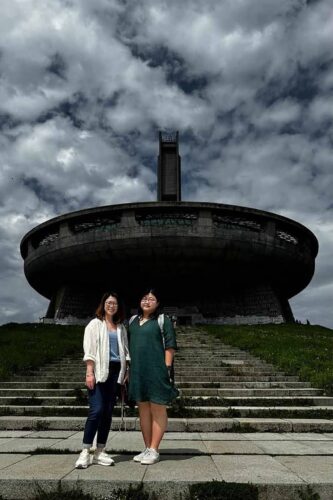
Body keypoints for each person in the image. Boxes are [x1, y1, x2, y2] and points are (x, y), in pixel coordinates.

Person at [75, 291, 130, 469]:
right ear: (103, 305)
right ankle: (85, 451)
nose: (111, 305)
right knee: (96, 411)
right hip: (99, 371)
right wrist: (89, 372)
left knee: (107, 413)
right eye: (108, 302)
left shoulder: (121, 327)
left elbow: (126, 352)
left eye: (114, 303)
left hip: (116, 372)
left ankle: (100, 451)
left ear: (118, 307)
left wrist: (126, 370)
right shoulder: (94, 324)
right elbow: (89, 351)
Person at [128, 288, 179, 465]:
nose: (147, 301)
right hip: (137, 371)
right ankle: (147, 447)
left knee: (158, 408)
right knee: (143, 410)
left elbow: (170, 346)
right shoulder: (133, 321)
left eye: (151, 299)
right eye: (144, 298)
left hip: (157, 370)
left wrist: (166, 367)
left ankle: (155, 449)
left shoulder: (162, 320)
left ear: (157, 304)